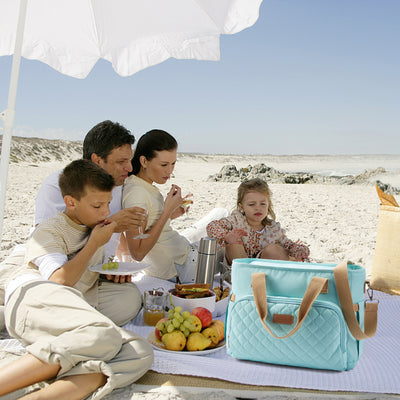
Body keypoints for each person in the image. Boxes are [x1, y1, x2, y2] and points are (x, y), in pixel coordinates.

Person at [0, 160, 153, 400]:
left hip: (73, 302)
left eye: (108, 204)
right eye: (97, 206)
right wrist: (94, 242)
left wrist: (109, 272)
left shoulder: (96, 225)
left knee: (140, 351)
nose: (106, 212)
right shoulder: (49, 231)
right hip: (34, 294)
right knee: (104, 335)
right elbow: (58, 282)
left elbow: (85, 269)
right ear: (71, 203)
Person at [0, 120, 146, 328]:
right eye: (121, 161)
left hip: (88, 271)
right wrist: (112, 224)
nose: (129, 168)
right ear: (97, 160)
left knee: (129, 299)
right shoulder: (59, 185)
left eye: (129, 160)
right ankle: (22, 313)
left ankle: (37, 316)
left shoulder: (120, 185)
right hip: (44, 263)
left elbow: (113, 245)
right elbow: (50, 245)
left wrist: (112, 268)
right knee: (26, 286)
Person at [122, 129, 228, 283]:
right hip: (184, 266)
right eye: (164, 165)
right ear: (144, 161)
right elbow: (137, 253)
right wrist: (166, 210)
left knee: (221, 212)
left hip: (181, 251)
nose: (170, 171)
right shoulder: (137, 195)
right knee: (235, 244)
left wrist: (172, 213)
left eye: (173, 164)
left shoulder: (142, 185)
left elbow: (149, 224)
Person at [206, 178, 310, 265]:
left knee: (274, 249)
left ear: (268, 205)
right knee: (235, 241)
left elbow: (290, 245)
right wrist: (226, 236)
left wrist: (299, 251)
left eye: (263, 204)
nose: (258, 208)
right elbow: (212, 226)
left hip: (263, 271)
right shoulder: (236, 220)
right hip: (238, 268)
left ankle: (278, 276)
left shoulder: (273, 229)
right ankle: (246, 274)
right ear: (242, 207)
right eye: (252, 204)